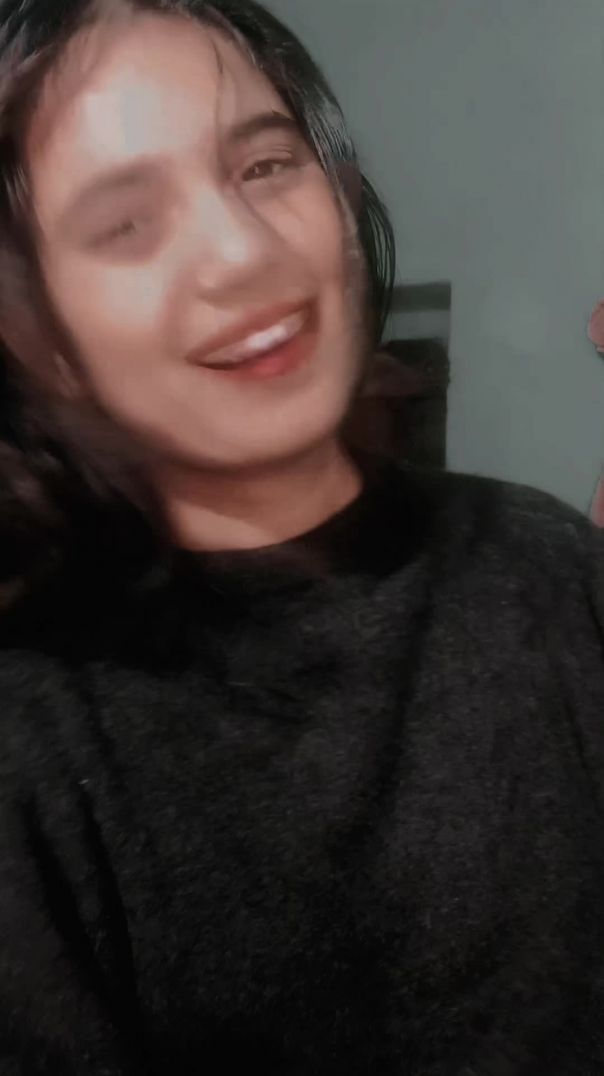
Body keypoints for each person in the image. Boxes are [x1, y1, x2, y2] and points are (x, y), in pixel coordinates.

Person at [0, 1, 603, 1072]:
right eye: (126, 224)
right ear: (36, 337)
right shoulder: (35, 729)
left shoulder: (547, 563)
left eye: (266, 165)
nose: (245, 252)